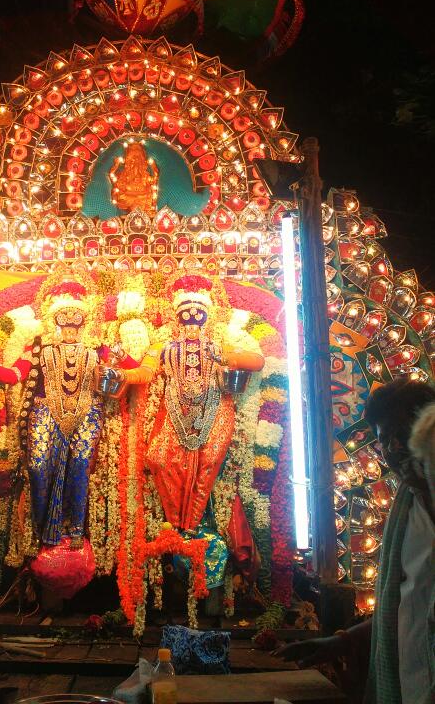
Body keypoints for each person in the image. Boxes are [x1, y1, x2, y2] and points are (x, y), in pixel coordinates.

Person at [273, 378, 435, 704]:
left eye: (402, 434)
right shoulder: (407, 509)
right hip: (409, 685)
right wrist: (341, 642)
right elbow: (405, 608)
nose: (393, 449)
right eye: (383, 440)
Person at [0, 281, 105, 550]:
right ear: (56, 323)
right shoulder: (39, 347)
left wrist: (122, 364)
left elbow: (126, 371)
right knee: (38, 467)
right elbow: (14, 375)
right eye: (65, 325)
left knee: (80, 465)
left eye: (76, 325)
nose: (70, 330)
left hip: (86, 411)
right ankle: (43, 528)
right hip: (46, 410)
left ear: (83, 324)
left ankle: (76, 527)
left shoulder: (96, 349)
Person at [119, 274, 265, 534]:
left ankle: (190, 528)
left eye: (198, 316)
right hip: (175, 414)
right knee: (160, 459)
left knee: (207, 465)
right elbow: (145, 372)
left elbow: (257, 361)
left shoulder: (218, 345)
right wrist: (123, 375)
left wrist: (226, 357)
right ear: (178, 319)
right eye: (186, 316)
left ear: (206, 318)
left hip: (214, 413)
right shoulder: (163, 346)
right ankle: (177, 525)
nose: (192, 323)